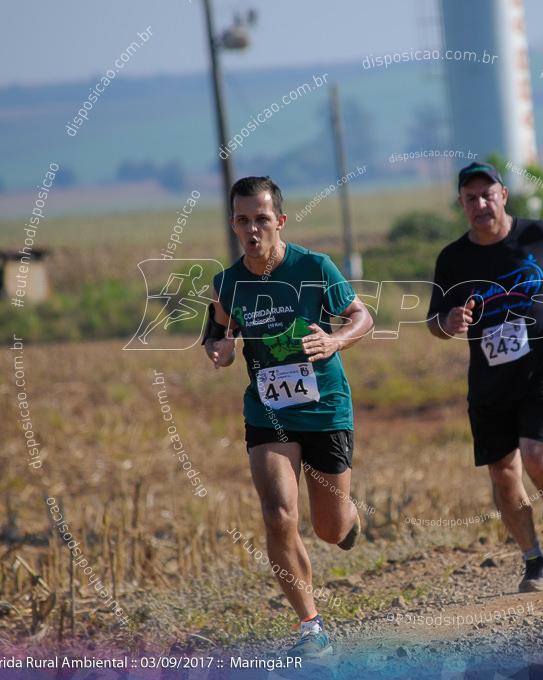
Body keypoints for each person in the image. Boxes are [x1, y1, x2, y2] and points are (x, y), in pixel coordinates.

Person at [202, 176, 373, 658]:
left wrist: (336, 340)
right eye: (242, 219)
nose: (252, 228)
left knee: (330, 530)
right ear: (233, 223)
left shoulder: (314, 267)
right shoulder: (227, 283)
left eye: (261, 218)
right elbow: (216, 334)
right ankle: (311, 626)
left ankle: (349, 516)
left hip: (324, 407)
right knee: (279, 516)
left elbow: (363, 317)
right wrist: (221, 349)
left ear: (279, 220)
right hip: (269, 411)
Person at [426, 161, 543, 592]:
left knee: (538, 458)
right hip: (488, 383)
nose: (480, 204)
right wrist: (448, 321)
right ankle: (534, 562)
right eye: (470, 198)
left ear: (503, 195)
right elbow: (434, 322)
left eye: (487, 195)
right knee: (503, 475)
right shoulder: (453, 258)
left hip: (541, 368)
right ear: (461, 205)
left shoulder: (541, 235)